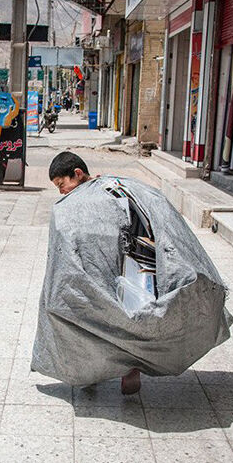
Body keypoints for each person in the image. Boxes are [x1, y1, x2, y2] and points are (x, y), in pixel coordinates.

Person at [46, 151, 143, 393]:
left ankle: (127, 369)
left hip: (116, 268)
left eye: (62, 184)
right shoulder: (103, 191)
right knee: (93, 319)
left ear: (77, 174)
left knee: (117, 317)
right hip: (88, 270)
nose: (61, 191)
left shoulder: (110, 190)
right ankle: (95, 369)